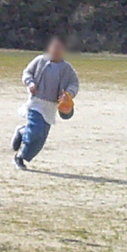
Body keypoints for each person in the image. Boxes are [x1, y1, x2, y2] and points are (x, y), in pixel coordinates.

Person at [12, 36, 79, 170]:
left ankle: (22, 150)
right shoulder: (40, 61)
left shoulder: (67, 68)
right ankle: (21, 146)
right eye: (54, 47)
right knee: (35, 131)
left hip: (51, 107)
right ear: (49, 48)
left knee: (40, 138)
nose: (56, 50)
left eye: (59, 48)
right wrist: (30, 83)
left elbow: (74, 83)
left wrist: (68, 94)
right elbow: (27, 73)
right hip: (36, 103)